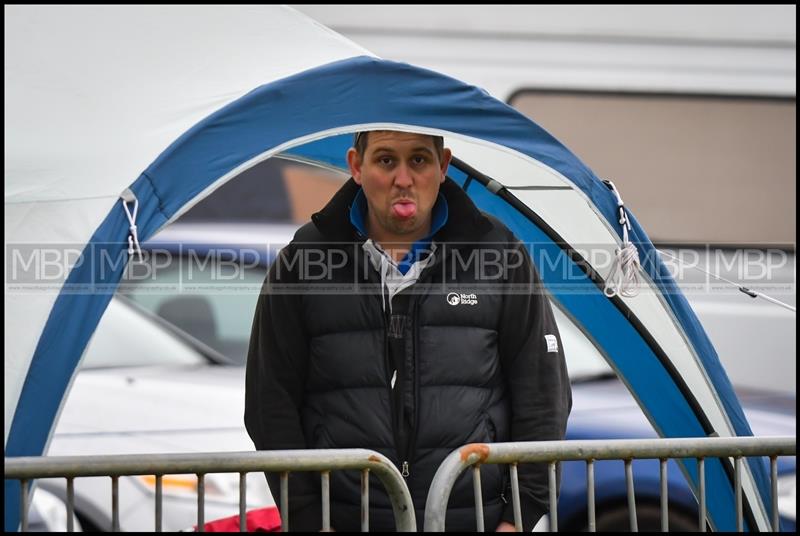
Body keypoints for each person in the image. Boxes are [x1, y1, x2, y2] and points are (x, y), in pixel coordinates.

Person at [245, 130, 572, 531]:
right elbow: (269, 401)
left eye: (419, 160)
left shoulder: (499, 253)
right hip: (345, 520)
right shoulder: (303, 259)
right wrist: (309, 518)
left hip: (474, 521)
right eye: (385, 161)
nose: (403, 178)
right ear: (356, 166)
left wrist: (518, 518)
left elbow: (543, 394)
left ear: (443, 166)